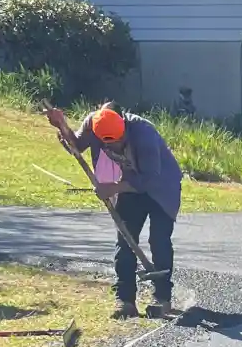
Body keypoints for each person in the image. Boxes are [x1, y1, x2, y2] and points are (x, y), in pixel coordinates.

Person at [48, 104, 182, 318]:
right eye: (107, 142)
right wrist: (62, 125)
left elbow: (148, 178)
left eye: (118, 141)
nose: (114, 146)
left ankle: (162, 298)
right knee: (126, 240)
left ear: (124, 127)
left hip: (162, 186)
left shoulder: (143, 132)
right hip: (129, 184)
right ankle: (125, 300)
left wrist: (113, 187)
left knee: (159, 240)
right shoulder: (94, 124)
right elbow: (77, 145)